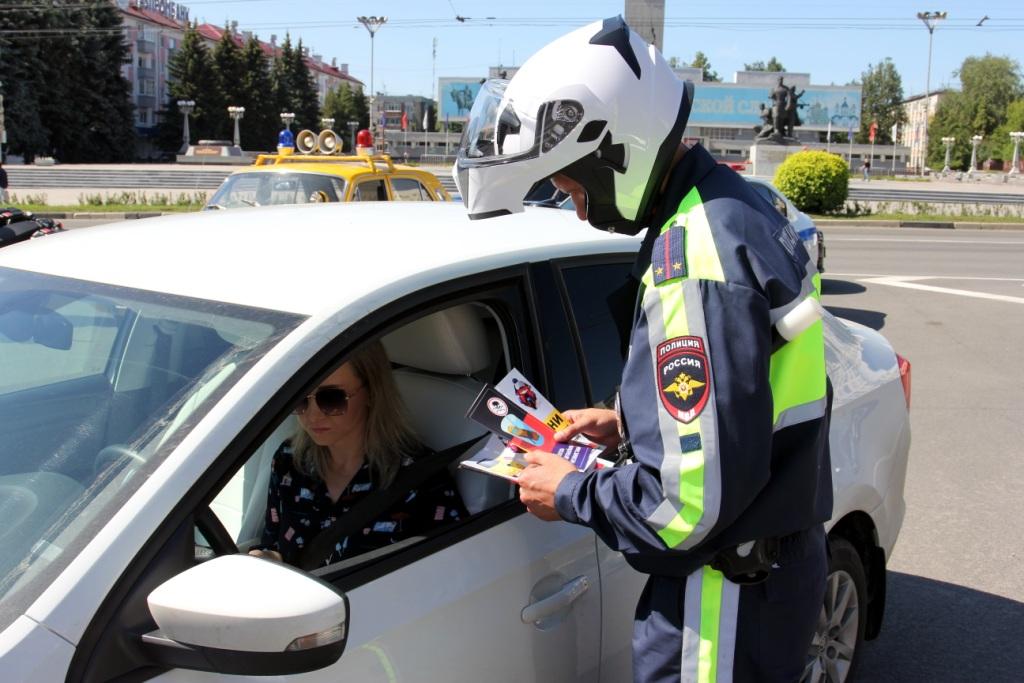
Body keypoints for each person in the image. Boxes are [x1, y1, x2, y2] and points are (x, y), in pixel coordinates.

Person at [453, 17, 832, 683]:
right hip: (765, 570)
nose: (575, 210)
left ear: (613, 152)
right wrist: (628, 421)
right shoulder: (732, 206)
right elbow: (746, 394)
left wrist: (569, 489)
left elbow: (684, 509)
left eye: (571, 188)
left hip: (721, 598)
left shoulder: (695, 260)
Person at [251, 340, 467, 567]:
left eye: (331, 399)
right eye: (300, 398)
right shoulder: (289, 460)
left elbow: (452, 575)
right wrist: (267, 558)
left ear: (372, 392)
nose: (313, 416)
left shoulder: (422, 480)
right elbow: (273, 543)